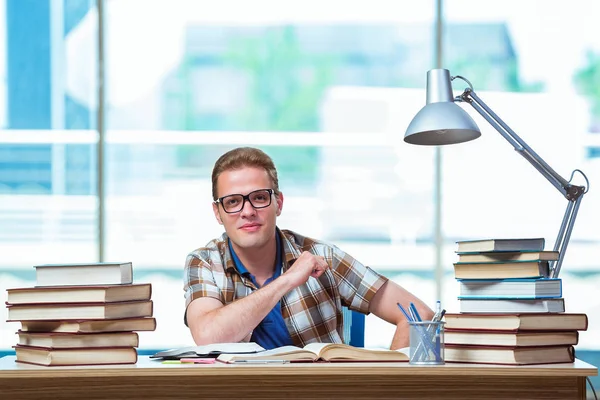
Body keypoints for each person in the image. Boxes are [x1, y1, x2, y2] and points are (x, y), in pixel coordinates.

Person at [184, 147, 433, 350]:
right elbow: (208, 336)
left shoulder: (323, 257)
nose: (247, 211)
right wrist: (288, 279)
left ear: (278, 203)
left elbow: (419, 315)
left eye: (259, 198)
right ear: (218, 213)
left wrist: (385, 387)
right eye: (233, 202)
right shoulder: (204, 262)